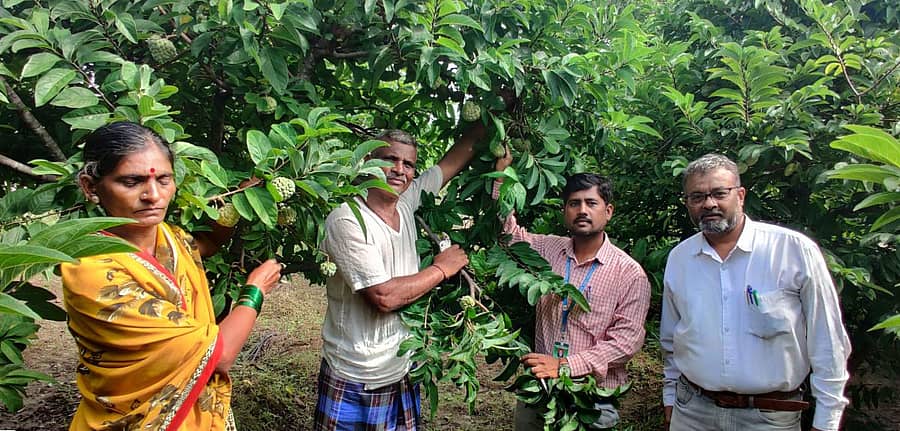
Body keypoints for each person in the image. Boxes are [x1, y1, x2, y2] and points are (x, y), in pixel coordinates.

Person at [61, 122, 283, 430]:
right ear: (90, 187)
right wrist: (254, 291)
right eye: (131, 181)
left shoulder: (169, 236)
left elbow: (201, 246)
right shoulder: (93, 272)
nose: (153, 195)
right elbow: (220, 355)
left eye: (164, 179)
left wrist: (241, 201)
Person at [660, 153, 851, 431]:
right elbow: (671, 339)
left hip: (769, 416)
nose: (709, 204)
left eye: (719, 193)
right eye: (697, 196)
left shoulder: (793, 251)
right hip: (693, 412)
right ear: (688, 203)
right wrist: (670, 397)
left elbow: (828, 340)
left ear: (740, 195)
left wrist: (827, 420)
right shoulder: (680, 258)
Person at [314, 124, 484, 430]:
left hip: (403, 367)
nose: (399, 170)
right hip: (357, 376)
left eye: (408, 164)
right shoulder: (347, 219)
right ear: (367, 162)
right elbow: (383, 296)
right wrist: (442, 268)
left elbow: (452, 161)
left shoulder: (406, 205)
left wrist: (497, 109)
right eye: (389, 159)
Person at [493, 152, 652, 430]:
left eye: (591, 203)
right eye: (574, 203)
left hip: (592, 398)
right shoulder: (547, 249)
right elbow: (508, 234)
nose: (582, 210)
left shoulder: (629, 273)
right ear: (564, 211)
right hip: (540, 388)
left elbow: (625, 343)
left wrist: (565, 365)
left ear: (608, 211)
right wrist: (501, 176)